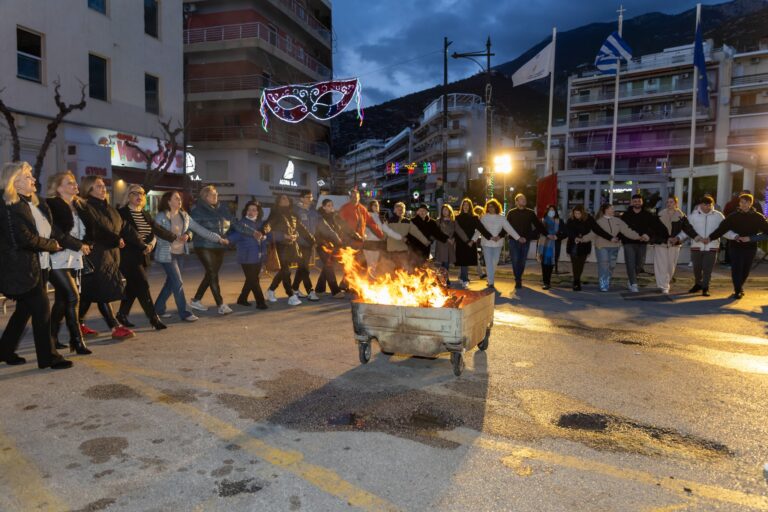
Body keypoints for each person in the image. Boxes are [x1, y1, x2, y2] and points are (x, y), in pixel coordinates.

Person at [0, 161, 72, 369]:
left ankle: (4, 350)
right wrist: (52, 245)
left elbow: (45, 229)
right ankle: (49, 357)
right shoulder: (9, 205)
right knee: (42, 310)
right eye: (28, 177)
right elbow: (24, 239)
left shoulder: (29, 202)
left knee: (24, 311)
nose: (34, 180)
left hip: (36, 264)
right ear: (16, 182)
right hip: (20, 268)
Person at [154, 191, 228, 322]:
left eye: (180, 198)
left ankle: (158, 309)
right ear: (168, 201)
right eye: (176, 198)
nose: (179, 200)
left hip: (180, 254)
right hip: (166, 254)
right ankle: (185, 312)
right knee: (178, 283)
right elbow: (156, 234)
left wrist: (218, 239)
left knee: (170, 284)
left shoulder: (184, 216)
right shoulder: (161, 217)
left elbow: (200, 229)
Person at [78, 176, 136, 340]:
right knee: (102, 290)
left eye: (104, 186)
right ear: (89, 189)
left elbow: (122, 226)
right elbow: (96, 229)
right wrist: (116, 239)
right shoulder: (86, 207)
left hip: (111, 255)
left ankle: (78, 323)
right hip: (96, 255)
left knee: (88, 294)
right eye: (98, 186)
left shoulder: (110, 208)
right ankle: (115, 326)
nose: (103, 189)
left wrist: (140, 243)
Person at [116, 184, 176, 330]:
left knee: (132, 287)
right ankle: (153, 318)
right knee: (142, 284)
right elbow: (122, 233)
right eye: (135, 193)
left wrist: (173, 237)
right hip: (127, 256)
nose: (139, 196)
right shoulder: (121, 213)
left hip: (142, 256)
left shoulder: (144, 213)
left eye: (142, 194)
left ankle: (122, 314)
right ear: (128, 195)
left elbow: (155, 230)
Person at [46, 171, 93, 354]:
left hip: (75, 257)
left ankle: (51, 336)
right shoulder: (51, 205)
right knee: (73, 297)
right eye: (70, 183)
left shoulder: (79, 206)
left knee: (61, 301)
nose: (75, 185)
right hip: (57, 256)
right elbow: (56, 232)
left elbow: (89, 230)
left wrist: (87, 243)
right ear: (59, 187)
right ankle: (77, 341)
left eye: (75, 182)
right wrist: (79, 245)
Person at [189, 185, 256, 315]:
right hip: (203, 245)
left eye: (216, 194)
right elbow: (193, 228)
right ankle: (220, 304)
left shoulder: (223, 209)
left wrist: (253, 232)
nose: (216, 197)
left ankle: (196, 300)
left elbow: (236, 224)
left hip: (219, 246)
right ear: (205, 196)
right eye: (213, 194)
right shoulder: (197, 211)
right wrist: (186, 236)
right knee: (213, 273)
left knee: (210, 274)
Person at [705, 193, 768, 299]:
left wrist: (751, 238)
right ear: (739, 203)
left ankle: (739, 287)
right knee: (736, 268)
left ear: (750, 203)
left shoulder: (758, 217)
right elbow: (721, 229)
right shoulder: (733, 216)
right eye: (742, 202)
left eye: (746, 202)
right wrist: (710, 238)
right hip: (735, 246)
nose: (743, 204)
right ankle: (737, 290)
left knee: (745, 270)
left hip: (750, 248)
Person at [265, 194, 314, 306]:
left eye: (286, 198)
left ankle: (271, 290)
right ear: (278, 201)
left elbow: (301, 228)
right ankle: (291, 295)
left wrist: (312, 240)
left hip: (292, 245)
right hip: (280, 245)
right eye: (282, 198)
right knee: (286, 270)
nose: (285, 199)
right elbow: (267, 227)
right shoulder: (275, 213)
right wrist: (283, 236)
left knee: (302, 266)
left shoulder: (293, 214)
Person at [674, 195, 724, 297]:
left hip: (712, 247)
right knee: (697, 268)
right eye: (705, 205)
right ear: (700, 205)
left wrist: (736, 236)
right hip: (696, 246)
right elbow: (687, 231)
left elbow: (724, 229)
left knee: (707, 269)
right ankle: (698, 284)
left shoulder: (719, 216)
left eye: (709, 205)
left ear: (712, 204)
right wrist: (678, 238)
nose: (707, 207)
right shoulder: (693, 216)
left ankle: (705, 287)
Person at [590, 204, 647, 292]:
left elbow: (627, 230)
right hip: (601, 246)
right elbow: (592, 233)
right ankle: (603, 285)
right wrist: (582, 239)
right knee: (604, 265)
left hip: (614, 247)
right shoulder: (599, 221)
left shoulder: (618, 221)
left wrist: (638, 236)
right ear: (606, 210)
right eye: (611, 209)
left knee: (612, 266)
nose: (613, 210)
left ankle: (606, 280)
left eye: (613, 209)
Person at [337, 189, 384, 288]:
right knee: (352, 263)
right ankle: (348, 284)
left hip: (359, 242)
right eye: (353, 197)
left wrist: (380, 234)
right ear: (350, 197)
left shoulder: (362, 208)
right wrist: (354, 235)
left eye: (357, 197)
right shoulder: (345, 208)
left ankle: (344, 284)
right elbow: (341, 224)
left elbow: (371, 222)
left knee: (354, 264)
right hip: (348, 241)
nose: (355, 198)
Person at [473, 199, 520, 289]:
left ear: (496, 207)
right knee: (489, 262)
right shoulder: (484, 217)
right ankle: (491, 282)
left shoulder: (501, 218)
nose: (491, 208)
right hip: (486, 243)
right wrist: (473, 240)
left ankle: (489, 278)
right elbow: (480, 230)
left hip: (498, 244)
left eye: (493, 206)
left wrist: (518, 238)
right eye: (489, 207)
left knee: (494, 263)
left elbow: (508, 228)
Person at [231, 201, 269, 309]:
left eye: (254, 210)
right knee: (254, 280)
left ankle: (242, 299)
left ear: (258, 212)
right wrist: (227, 240)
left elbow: (268, 237)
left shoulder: (261, 224)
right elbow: (235, 236)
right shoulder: (242, 223)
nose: (251, 212)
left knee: (251, 279)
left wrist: (266, 237)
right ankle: (260, 302)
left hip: (259, 255)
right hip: (246, 256)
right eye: (249, 210)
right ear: (245, 211)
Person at [506, 194, 546, 289]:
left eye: (525, 199)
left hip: (525, 241)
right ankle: (518, 279)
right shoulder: (511, 213)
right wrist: (499, 236)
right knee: (515, 261)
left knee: (522, 261)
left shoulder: (530, 213)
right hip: (513, 241)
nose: (524, 200)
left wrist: (529, 236)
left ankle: (518, 278)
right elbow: (507, 227)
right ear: (516, 202)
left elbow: (539, 226)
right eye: (521, 199)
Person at [619, 194, 656, 292]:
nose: (637, 203)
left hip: (642, 243)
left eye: (639, 201)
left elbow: (653, 228)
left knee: (640, 265)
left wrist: (647, 235)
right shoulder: (626, 215)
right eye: (635, 201)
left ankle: (631, 279)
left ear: (642, 202)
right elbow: (622, 229)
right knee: (630, 263)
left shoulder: (648, 215)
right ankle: (634, 284)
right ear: (632, 202)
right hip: (628, 243)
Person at [650, 196, 686, 294]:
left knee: (671, 266)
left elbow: (685, 231)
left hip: (674, 245)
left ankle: (666, 282)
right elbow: (654, 231)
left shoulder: (681, 216)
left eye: (671, 202)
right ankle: (662, 285)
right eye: (668, 202)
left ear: (676, 204)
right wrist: (664, 239)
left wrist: (677, 238)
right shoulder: (659, 215)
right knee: (661, 265)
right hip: (661, 244)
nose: (669, 204)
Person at [453, 199, 491, 288]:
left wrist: (489, 236)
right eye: (464, 205)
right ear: (462, 206)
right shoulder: (457, 217)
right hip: (460, 242)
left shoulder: (474, 217)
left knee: (465, 261)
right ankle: (464, 278)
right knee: (463, 262)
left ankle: (463, 278)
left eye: (467, 205)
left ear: (470, 207)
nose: (466, 206)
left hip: (470, 242)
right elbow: (455, 230)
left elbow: (481, 228)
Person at [380, 201, 425, 272]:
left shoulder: (408, 222)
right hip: (392, 251)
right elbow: (383, 236)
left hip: (403, 251)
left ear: (404, 211)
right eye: (398, 209)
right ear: (394, 210)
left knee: (402, 271)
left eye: (402, 209)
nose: (400, 211)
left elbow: (415, 234)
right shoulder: (388, 222)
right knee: (391, 270)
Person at [292, 190, 320, 301]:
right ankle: (310, 291)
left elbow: (319, 225)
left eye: (311, 197)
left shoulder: (313, 211)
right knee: (305, 268)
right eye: (308, 197)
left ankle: (294, 289)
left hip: (310, 243)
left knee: (302, 267)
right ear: (301, 198)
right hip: (299, 243)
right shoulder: (296, 210)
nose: (310, 199)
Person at [314, 198, 346, 298]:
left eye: (331, 205)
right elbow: (319, 232)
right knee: (328, 266)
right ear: (323, 207)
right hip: (322, 245)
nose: (331, 207)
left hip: (333, 246)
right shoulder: (320, 217)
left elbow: (340, 229)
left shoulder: (334, 217)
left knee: (326, 267)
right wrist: (323, 242)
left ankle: (319, 289)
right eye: (328, 205)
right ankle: (335, 291)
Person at [564, 205, 594, 291]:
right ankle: (576, 281)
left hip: (584, 245)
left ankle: (577, 280)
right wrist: (575, 237)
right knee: (575, 264)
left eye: (579, 213)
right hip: (573, 245)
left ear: (582, 213)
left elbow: (591, 230)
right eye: (575, 213)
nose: (577, 215)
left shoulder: (588, 220)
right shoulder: (570, 220)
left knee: (580, 264)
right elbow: (568, 231)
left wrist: (582, 238)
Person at [538, 205, 566, 290]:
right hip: (543, 245)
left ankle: (548, 281)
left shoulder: (560, 221)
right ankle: (545, 282)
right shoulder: (542, 221)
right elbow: (540, 230)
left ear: (555, 211)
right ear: (547, 211)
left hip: (555, 245)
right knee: (544, 264)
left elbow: (565, 232)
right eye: (549, 210)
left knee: (551, 264)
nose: (551, 211)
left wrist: (557, 237)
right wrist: (548, 235)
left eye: (553, 210)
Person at [434, 204, 457, 285]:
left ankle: (442, 279)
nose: (445, 211)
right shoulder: (438, 221)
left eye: (446, 210)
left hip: (450, 244)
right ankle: (445, 279)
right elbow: (436, 233)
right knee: (444, 262)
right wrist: (447, 239)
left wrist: (454, 238)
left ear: (450, 211)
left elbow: (456, 232)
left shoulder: (453, 221)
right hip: (441, 244)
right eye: (443, 210)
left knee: (446, 263)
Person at [363, 199, 387, 277]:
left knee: (374, 264)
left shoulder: (379, 217)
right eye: (375, 205)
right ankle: (369, 281)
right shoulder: (367, 216)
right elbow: (363, 229)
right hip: (369, 242)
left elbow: (382, 230)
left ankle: (371, 282)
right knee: (370, 264)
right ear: (370, 206)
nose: (377, 207)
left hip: (377, 243)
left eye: (377, 205)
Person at [473, 205, 487, 280]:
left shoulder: (478, 220)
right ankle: (481, 273)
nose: (483, 215)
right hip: (470, 241)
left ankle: (481, 273)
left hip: (473, 241)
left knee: (475, 258)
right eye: (482, 213)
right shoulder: (475, 220)